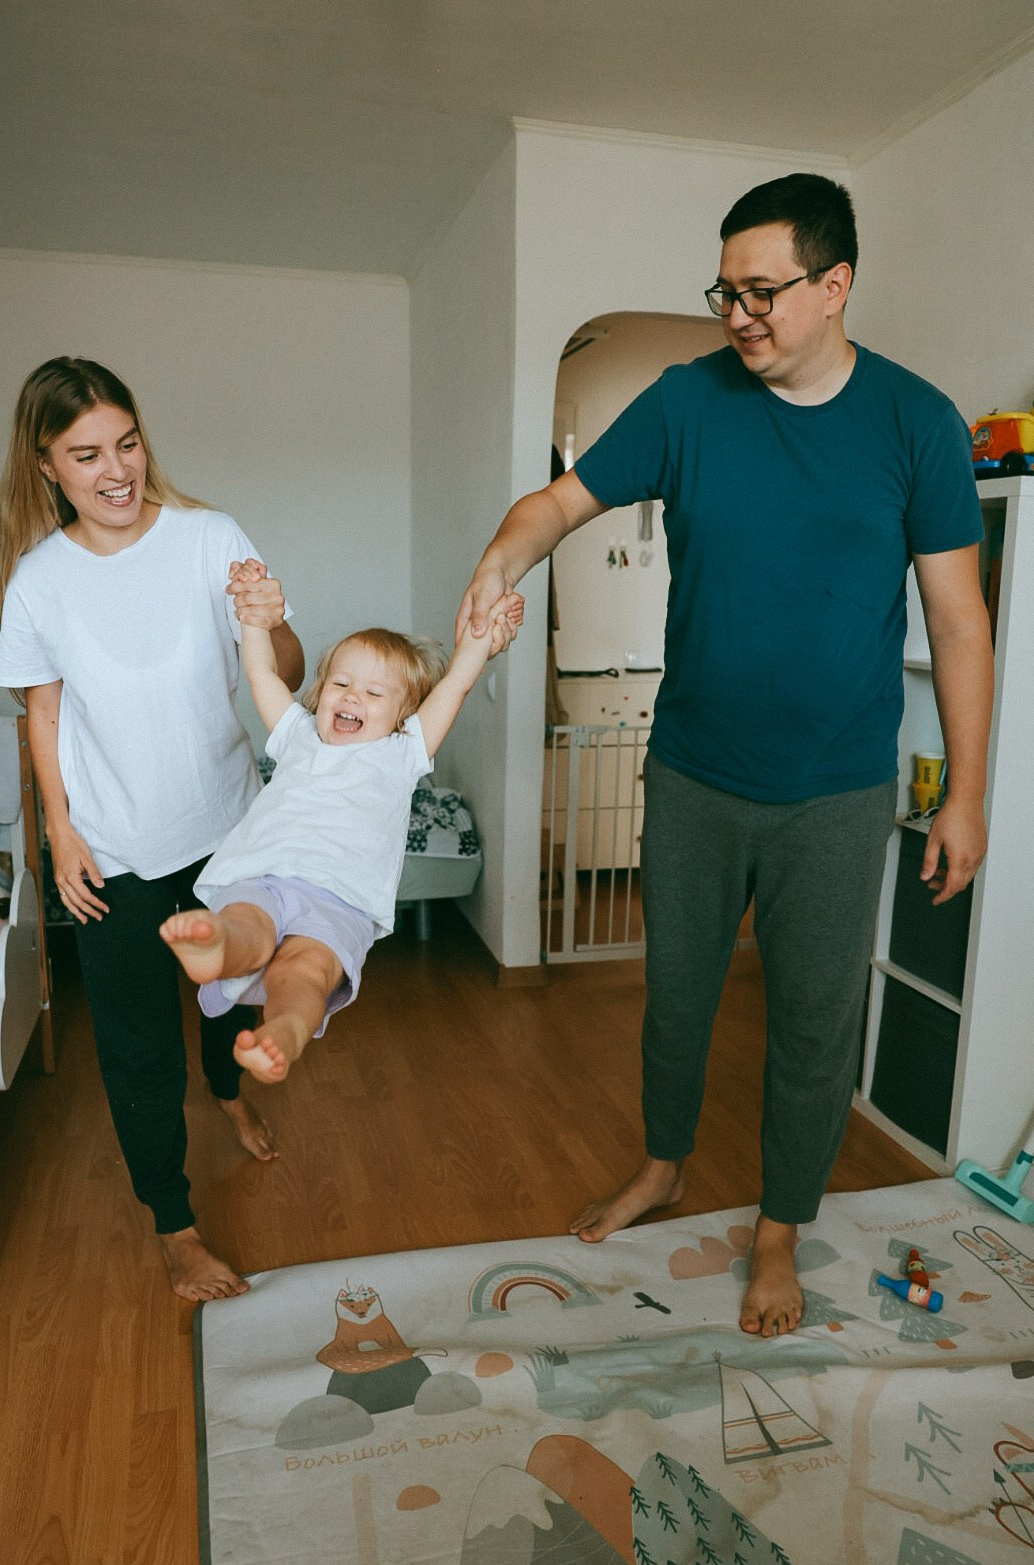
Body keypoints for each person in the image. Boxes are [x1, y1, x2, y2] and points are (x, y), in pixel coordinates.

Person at [456, 174, 994, 1337]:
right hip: (695, 773)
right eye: (725, 291)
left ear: (835, 283)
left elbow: (959, 624)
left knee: (812, 1025)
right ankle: (663, 1164)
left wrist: (969, 795)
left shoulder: (918, 423)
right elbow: (560, 504)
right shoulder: (685, 403)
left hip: (839, 793)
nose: (738, 313)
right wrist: (502, 562)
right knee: (676, 1000)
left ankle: (779, 1230)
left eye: (762, 290)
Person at [0, 356, 306, 1303]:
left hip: (223, 824)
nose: (115, 470)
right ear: (47, 465)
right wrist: (61, 833)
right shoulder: (38, 582)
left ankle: (226, 1089)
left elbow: (282, 663)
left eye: (125, 443)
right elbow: (41, 716)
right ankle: (174, 1223)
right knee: (136, 1046)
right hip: (112, 848)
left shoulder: (210, 538)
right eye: (86, 454)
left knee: (235, 988)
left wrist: (272, 617)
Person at [160, 560, 521, 1082]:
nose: (352, 696)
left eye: (374, 694)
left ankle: (281, 1033)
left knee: (305, 971)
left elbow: (456, 686)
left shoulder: (405, 751)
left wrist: (482, 642)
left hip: (341, 898)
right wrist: (253, 619)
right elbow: (261, 674)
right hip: (263, 873)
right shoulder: (298, 733)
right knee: (247, 924)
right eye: (342, 683)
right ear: (321, 691)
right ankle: (216, 947)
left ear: (402, 716)